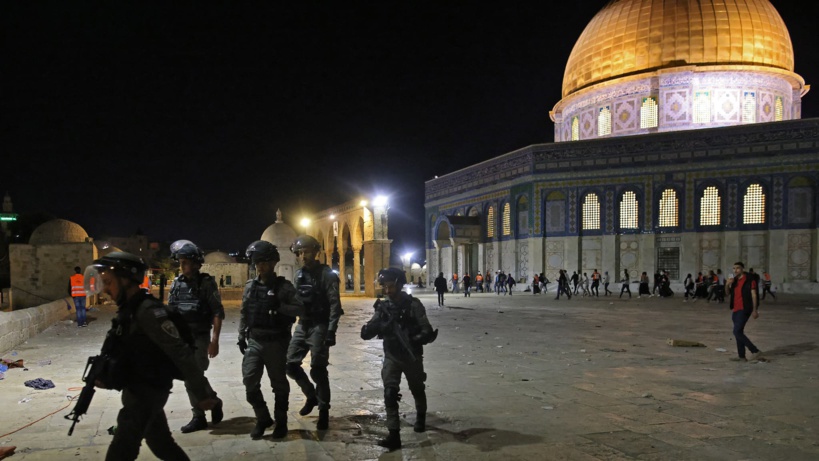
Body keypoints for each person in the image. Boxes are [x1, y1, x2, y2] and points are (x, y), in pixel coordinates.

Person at [84, 252, 220, 461]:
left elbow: (181, 353)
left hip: (147, 392)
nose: (106, 290)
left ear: (127, 280)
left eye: (109, 283)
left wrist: (201, 394)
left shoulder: (148, 311)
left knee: (122, 448)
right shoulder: (129, 310)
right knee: (162, 443)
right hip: (137, 388)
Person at [361, 268, 438, 451]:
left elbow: (426, 329)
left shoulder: (414, 305)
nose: (387, 291)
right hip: (392, 356)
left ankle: (420, 417)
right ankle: (394, 434)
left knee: (417, 389)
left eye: (390, 287)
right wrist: (380, 326)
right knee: (389, 393)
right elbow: (366, 333)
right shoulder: (383, 307)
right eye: (384, 287)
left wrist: (413, 337)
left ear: (399, 284)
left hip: (411, 355)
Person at [239, 240, 304, 439]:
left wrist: (279, 307)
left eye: (264, 262)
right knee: (249, 380)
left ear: (273, 263)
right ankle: (262, 418)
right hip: (255, 340)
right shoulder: (250, 286)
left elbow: (300, 309)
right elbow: (245, 311)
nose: (260, 266)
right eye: (257, 262)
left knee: (279, 384)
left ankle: (281, 422)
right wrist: (241, 334)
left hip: (277, 341)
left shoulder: (283, 287)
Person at [167, 239, 225, 433]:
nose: (181, 266)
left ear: (195, 264)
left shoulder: (206, 284)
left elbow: (217, 312)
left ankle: (198, 416)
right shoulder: (176, 284)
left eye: (185, 262)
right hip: (182, 339)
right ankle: (213, 401)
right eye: (180, 262)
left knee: (192, 376)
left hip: (200, 337)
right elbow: (171, 312)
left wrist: (214, 341)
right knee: (191, 375)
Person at [286, 235, 344, 431]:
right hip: (303, 325)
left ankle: (324, 411)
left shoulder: (326, 275)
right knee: (290, 364)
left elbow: (335, 305)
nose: (303, 256)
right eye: (299, 253)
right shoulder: (299, 275)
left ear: (315, 252)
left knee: (318, 369)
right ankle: (311, 395)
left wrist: (331, 331)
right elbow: (296, 301)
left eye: (306, 252)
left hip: (320, 325)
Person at [724, 261, 762, 362]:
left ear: (742, 269)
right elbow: (727, 294)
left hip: (745, 308)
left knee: (736, 331)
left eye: (738, 268)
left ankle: (755, 350)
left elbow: (754, 295)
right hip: (735, 309)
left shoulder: (750, 280)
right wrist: (727, 284)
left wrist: (755, 310)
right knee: (738, 333)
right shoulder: (734, 280)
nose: (735, 270)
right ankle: (741, 356)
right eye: (734, 268)